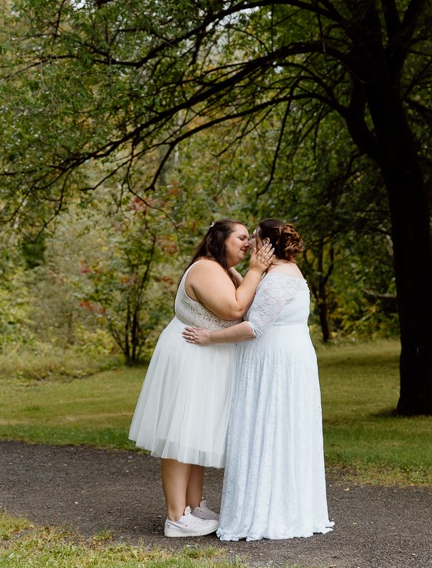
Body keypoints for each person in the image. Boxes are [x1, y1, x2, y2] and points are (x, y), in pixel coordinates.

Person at [183, 218, 333, 541]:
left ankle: (266, 513)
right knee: (279, 432)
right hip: (288, 359)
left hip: (273, 364)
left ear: (268, 244)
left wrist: (210, 337)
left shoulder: (278, 279)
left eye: (255, 238)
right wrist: (240, 270)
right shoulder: (280, 273)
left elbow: (254, 326)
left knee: (269, 429)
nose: (250, 242)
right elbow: (251, 297)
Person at [129, 218, 274, 538]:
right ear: (218, 239)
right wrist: (255, 270)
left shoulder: (221, 269)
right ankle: (175, 516)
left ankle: (193, 506)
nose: (247, 244)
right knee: (181, 434)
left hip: (206, 358)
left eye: (248, 239)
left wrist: (248, 271)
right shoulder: (206, 268)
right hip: (190, 357)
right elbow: (233, 309)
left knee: (197, 434)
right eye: (240, 238)